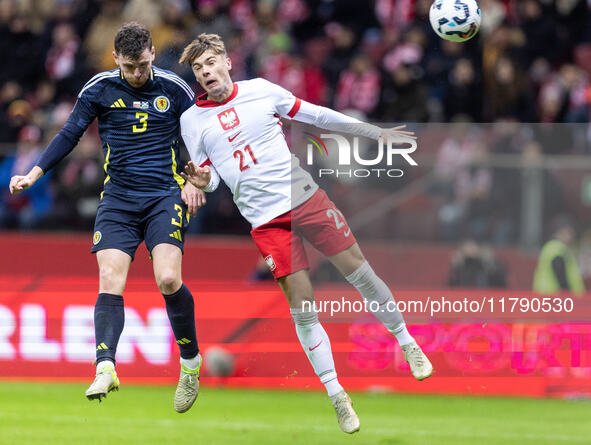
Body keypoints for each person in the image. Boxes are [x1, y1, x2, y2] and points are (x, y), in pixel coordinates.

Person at [178, 33, 433, 434]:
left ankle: (405, 340)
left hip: (304, 198)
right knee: (303, 306)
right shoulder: (192, 120)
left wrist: (374, 134)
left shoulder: (261, 91)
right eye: (198, 68)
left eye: (211, 62)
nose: (206, 72)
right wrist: (199, 181)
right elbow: (208, 181)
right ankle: (337, 396)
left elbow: (316, 115)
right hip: (265, 221)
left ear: (228, 61)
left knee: (359, 272)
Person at [9, 23, 204, 414]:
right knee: (110, 279)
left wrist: (198, 177)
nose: (136, 74)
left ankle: (190, 364)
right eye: (129, 67)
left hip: (164, 195)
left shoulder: (174, 88)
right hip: (117, 199)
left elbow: (201, 135)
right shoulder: (98, 89)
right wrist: (35, 172)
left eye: (142, 65)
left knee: (167, 278)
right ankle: (105, 367)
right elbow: (69, 133)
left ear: (152, 52)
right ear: (116, 59)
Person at [533, 216, 585, 295]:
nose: (572, 237)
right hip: (555, 296)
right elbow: (559, 271)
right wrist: (567, 292)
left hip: (548, 294)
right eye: (570, 233)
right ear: (562, 232)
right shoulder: (557, 248)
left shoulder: (552, 247)